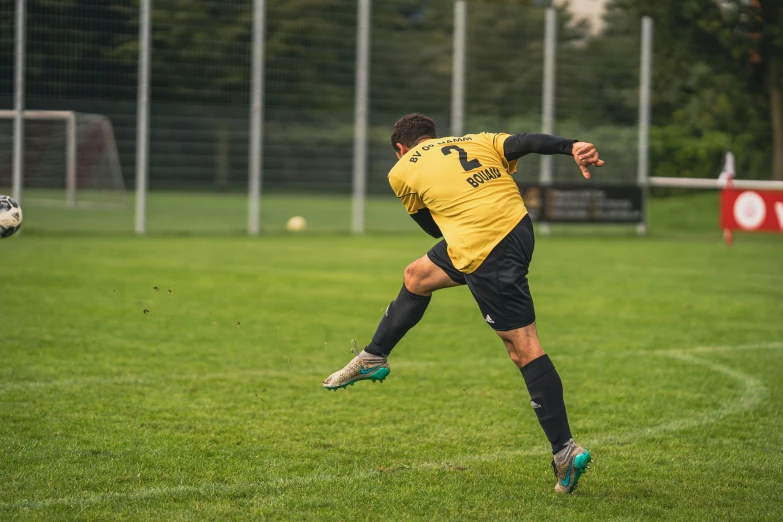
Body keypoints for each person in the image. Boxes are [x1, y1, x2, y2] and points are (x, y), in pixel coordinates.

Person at [322, 113, 604, 494]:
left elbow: (433, 226)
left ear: (401, 149)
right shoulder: (476, 140)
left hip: (484, 245)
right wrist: (571, 146)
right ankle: (374, 356)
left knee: (523, 348)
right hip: (517, 226)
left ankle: (565, 451)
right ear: (433, 137)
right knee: (417, 276)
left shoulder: (401, 170)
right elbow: (525, 141)